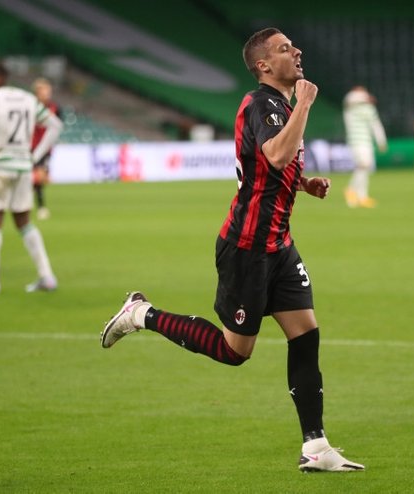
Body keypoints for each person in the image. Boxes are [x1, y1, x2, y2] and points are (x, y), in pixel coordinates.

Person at [101, 28, 365, 473]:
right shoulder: (263, 104)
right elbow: (276, 156)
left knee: (305, 334)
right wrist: (305, 103)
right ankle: (141, 314)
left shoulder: (280, 107)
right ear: (264, 65)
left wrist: (304, 184)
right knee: (235, 351)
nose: (296, 51)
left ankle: (316, 447)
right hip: (247, 248)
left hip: (278, 245)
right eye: (284, 49)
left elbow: (264, 166)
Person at [0, 62, 63, 294]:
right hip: (23, 166)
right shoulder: (27, 98)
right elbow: (55, 125)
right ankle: (47, 276)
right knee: (24, 222)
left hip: (1, 166)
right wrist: (35, 156)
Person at [342, 85, 387, 208]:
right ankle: (351, 189)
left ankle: (362, 196)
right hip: (356, 141)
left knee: (364, 168)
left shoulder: (369, 109)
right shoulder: (350, 108)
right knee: (364, 164)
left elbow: (376, 125)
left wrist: (381, 141)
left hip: (367, 141)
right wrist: (365, 97)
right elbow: (350, 99)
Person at [31, 77, 62, 220]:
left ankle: (34, 202)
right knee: (38, 177)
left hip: (46, 149)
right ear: (37, 92)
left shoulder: (55, 108)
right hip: (31, 147)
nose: (47, 93)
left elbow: (58, 126)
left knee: (40, 178)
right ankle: (41, 207)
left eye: (49, 91)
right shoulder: (31, 107)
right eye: (44, 90)